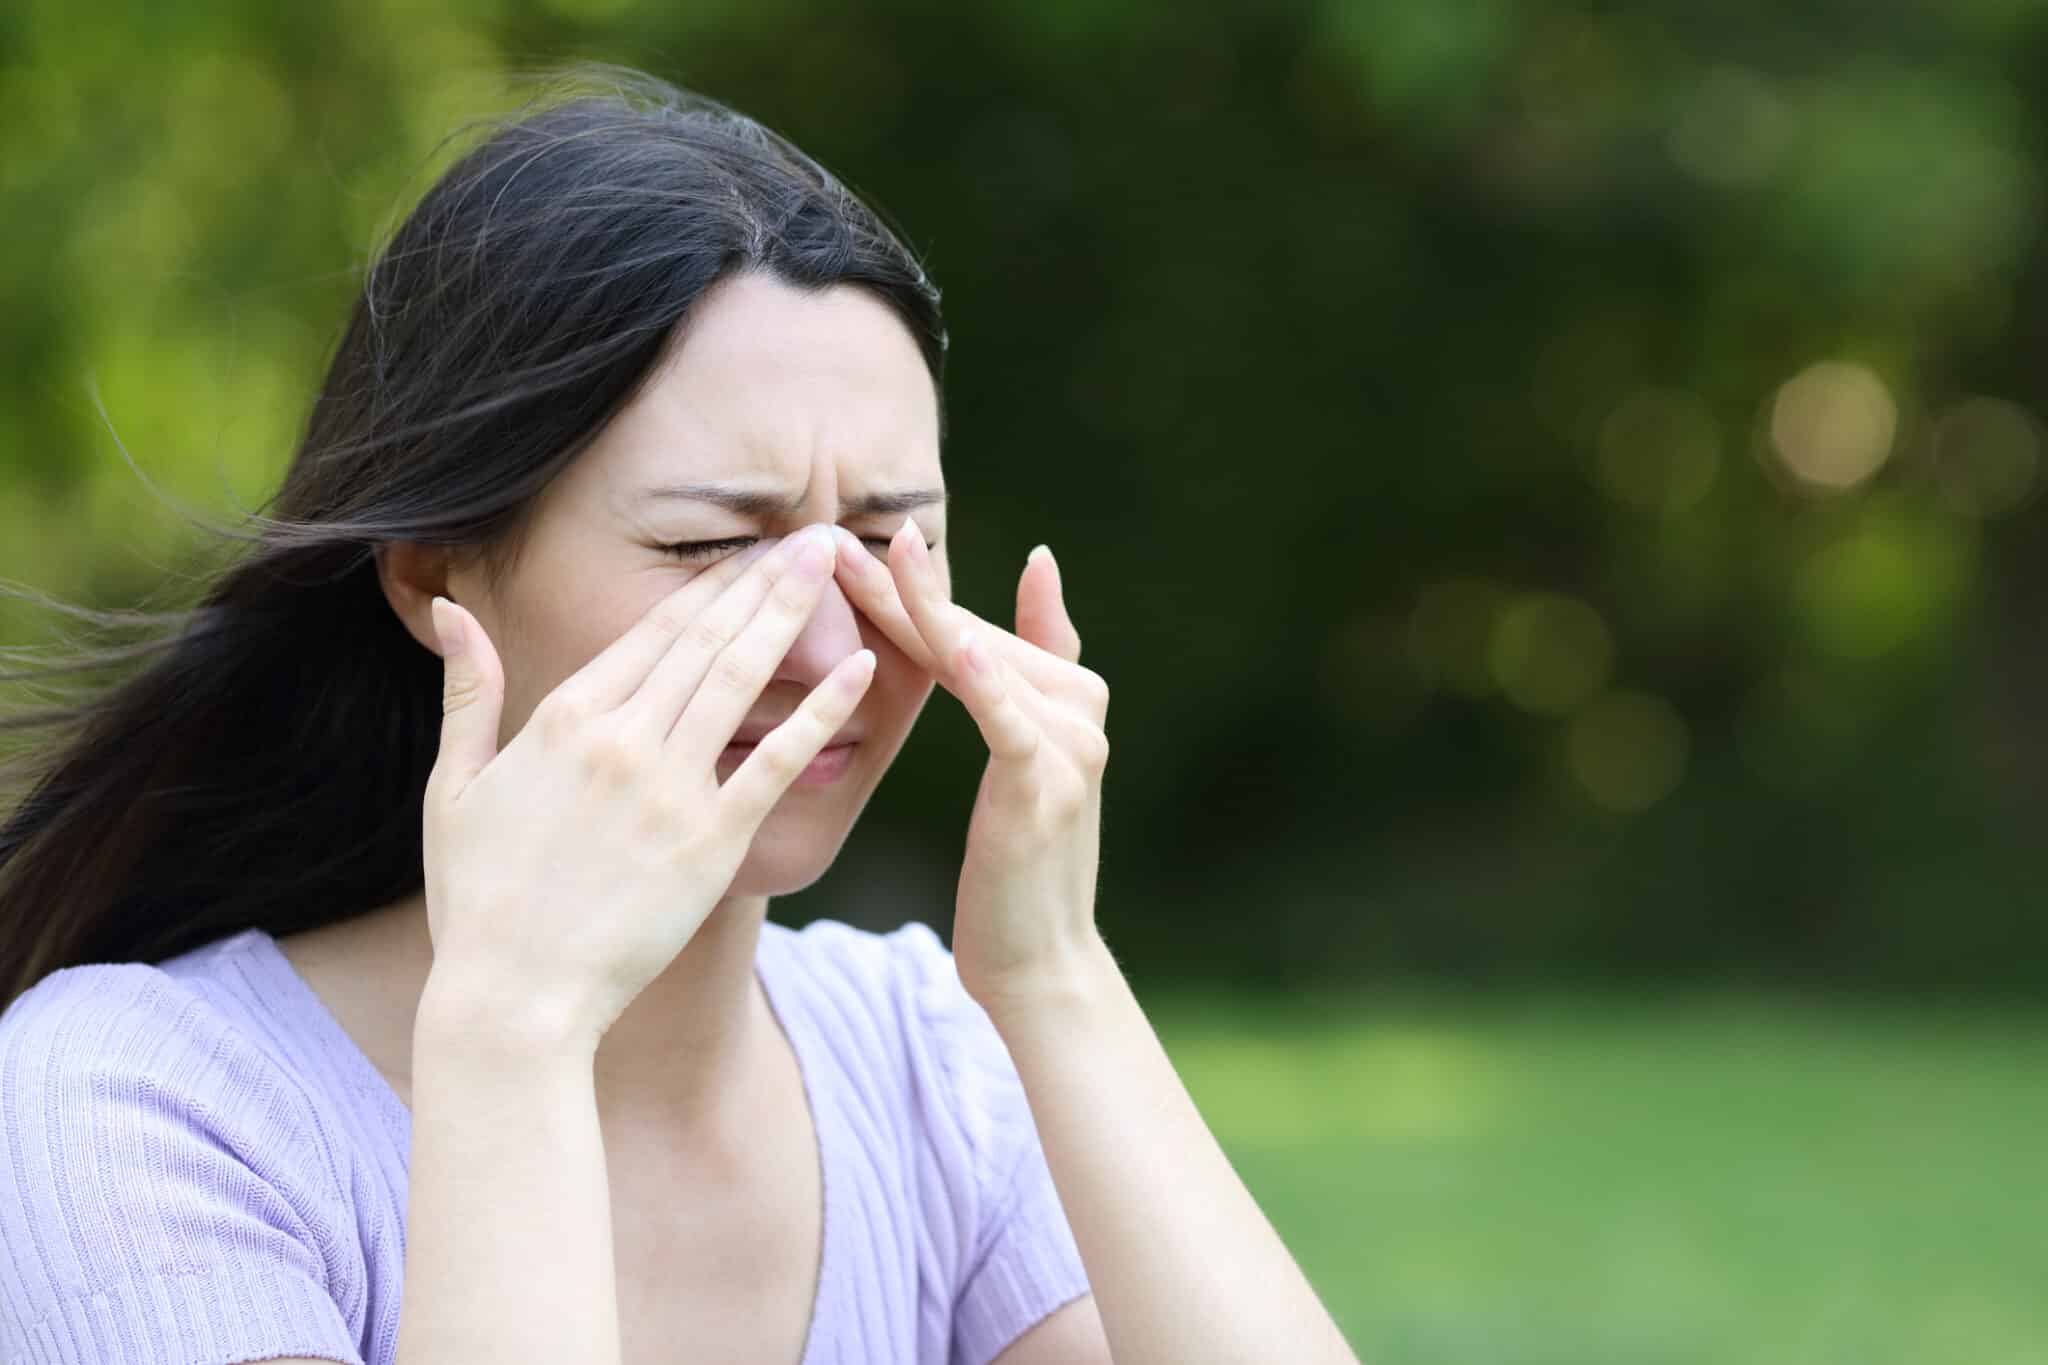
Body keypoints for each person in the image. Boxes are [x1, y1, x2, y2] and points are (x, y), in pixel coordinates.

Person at [0, 62, 1358, 1365]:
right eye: (714, 546)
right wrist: (513, 1027)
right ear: (433, 574)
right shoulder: (125, 1106)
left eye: (890, 537)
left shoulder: (925, 1065)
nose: (829, 642)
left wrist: (1056, 976)